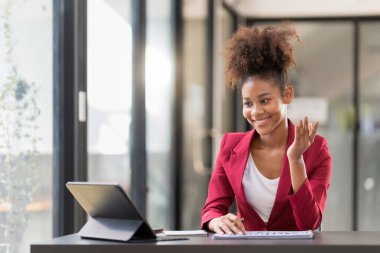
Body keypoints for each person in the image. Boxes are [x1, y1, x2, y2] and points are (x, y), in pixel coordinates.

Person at [201, 24, 332, 234]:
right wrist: (215, 221)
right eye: (248, 103)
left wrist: (296, 160)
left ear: (287, 95)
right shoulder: (230, 146)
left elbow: (310, 224)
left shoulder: (316, 149)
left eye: (264, 100)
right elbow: (212, 208)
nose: (256, 112)